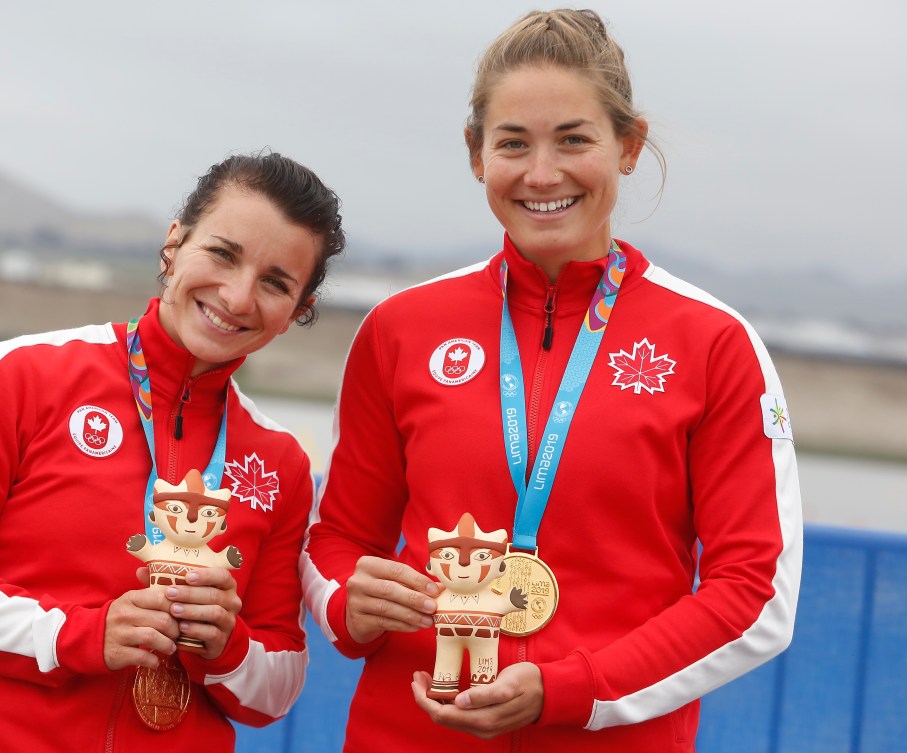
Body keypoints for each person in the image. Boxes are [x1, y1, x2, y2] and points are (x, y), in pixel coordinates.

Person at [301, 9, 801, 752]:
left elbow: (755, 594)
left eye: (573, 139)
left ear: (627, 146)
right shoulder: (401, 327)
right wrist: (348, 600)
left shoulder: (712, 342)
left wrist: (573, 688)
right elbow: (335, 537)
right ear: (475, 154)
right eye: (512, 143)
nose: (541, 174)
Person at [0, 151, 345, 751]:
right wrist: (78, 634)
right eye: (222, 254)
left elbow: (276, 689)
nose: (236, 295)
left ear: (297, 312)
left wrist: (228, 645)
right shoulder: (20, 375)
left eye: (276, 282)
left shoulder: (279, 460)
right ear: (174, 244)